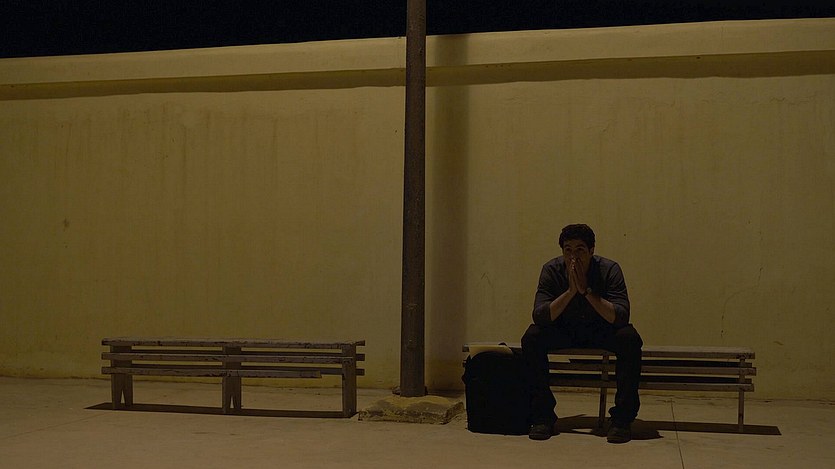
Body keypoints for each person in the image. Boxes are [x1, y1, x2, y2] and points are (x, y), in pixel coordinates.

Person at [521, 224, 643, 443]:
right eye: (568, 250)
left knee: (630, 338)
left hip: (600, 329)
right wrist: (570, 291)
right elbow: (540, 316)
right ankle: (542, 417)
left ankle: (622, 420)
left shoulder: (609, 269)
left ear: (591, 251)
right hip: (564, 329)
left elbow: (621, 316)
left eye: (580, 250)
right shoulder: (551, 270)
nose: (573, 256)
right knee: (532, 337)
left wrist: (586, 291)